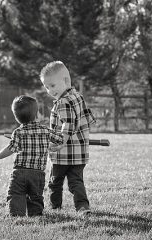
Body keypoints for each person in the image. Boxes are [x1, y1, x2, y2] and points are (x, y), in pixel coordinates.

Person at [0, 95, 64, 217]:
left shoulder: (18, 132)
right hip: (37, 173)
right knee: (35, 196)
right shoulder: (45, 131)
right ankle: (36, 215)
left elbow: (11, 149)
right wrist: (51, 144)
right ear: (37, 114)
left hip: (19, 171)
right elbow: (60, 139)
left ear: (17, 118)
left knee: (16, 194)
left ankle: (16, 215)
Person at [39, 61, 96, 214]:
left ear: (65, 81)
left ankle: (55, 207)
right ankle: (83, 207)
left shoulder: (62, 102)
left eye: (52, 85)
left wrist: (61, 141)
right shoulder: (77, 96)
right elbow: (88, 119)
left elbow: (68, 123)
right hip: (80, 153)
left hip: (62, 153)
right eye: (46, 87)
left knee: (55, 182)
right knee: (76, 182)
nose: (50, 91)